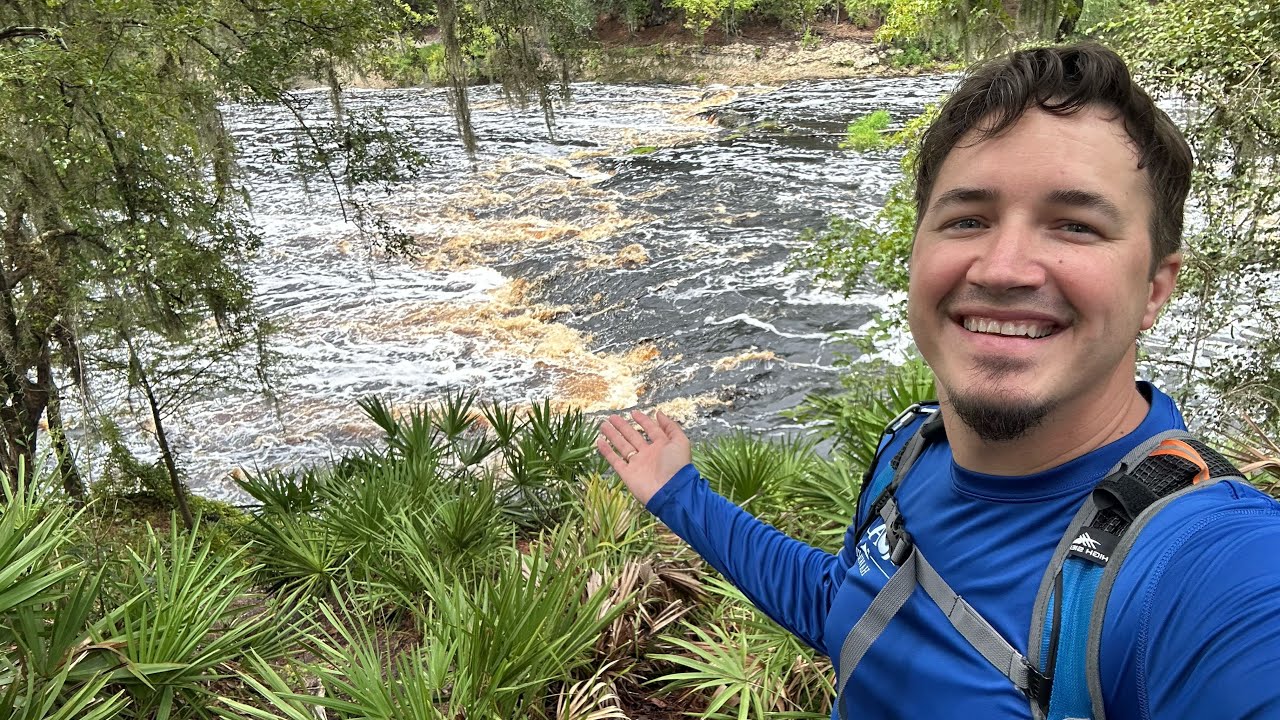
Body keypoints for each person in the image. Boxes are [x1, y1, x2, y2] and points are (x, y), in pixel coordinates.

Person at [596, 43, 1280, 719]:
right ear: (917, 252)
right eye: (968, 220)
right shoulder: (912, 448)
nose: (1004, 267)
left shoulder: (1208, 566)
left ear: (1156, 289)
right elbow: (845, 603)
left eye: (1075, 225)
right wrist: (677, 493)